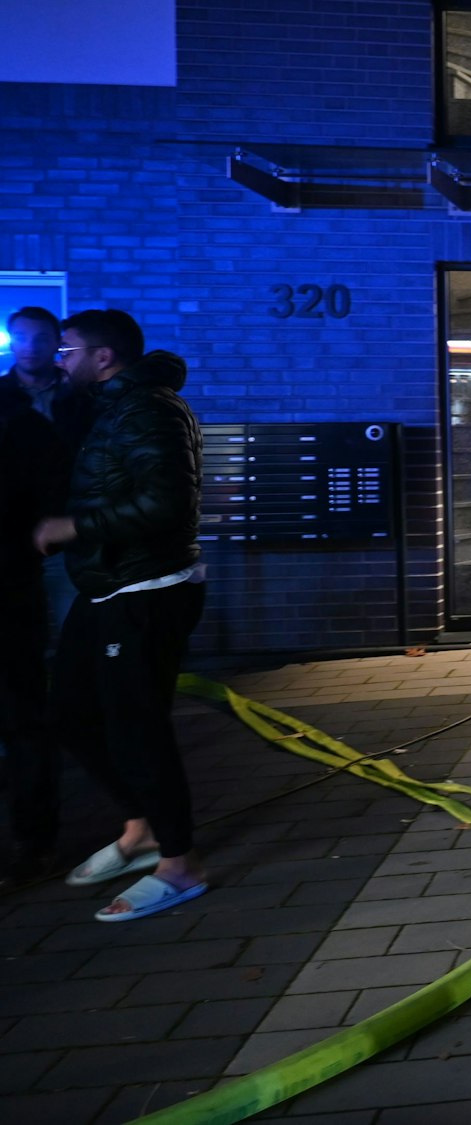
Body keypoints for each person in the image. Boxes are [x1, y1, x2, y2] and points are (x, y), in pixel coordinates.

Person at [33, 309, 208, 922]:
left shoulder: (149, 409)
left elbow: (166, 503)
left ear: (102, 357)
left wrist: (74, 526)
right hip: (109, 586)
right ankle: (143, 829)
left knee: (138, 727)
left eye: (67, 350)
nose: (60, 360)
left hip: (148, 589)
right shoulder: (108, 405)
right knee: (71, 714)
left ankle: (180, 866)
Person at [0, 363, 63, 888]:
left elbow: (51, 509)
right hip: (14, 584)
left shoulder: (21, 427)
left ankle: (33, 841)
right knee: (22, 718)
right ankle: (32, 841)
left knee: (22, 718)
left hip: (9, 590)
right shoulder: (22, 424)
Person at [1, 307, 92, 642]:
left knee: (77, 632)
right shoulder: (1, 397)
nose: (30, 346)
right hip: (11, 537)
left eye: (41, 338)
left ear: (57, 342)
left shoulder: (82, 398)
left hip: (71, 531)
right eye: (21, 337)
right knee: (18, 641)